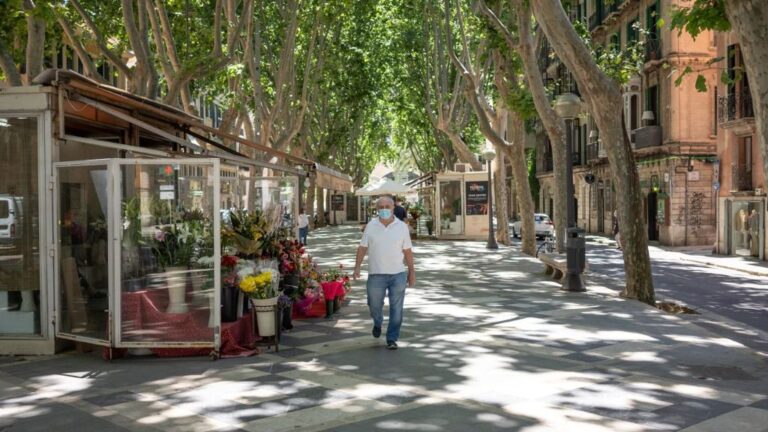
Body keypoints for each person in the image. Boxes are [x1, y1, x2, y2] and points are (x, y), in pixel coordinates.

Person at [353, 196, 415, 350]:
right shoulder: (371, 226)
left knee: (397, 308)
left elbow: (407, 251)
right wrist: (357, 266)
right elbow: (362, 247)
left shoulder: (401, 227)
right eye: (381, 207)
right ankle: (378, 322)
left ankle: (392, 338)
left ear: (394, 207)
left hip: (398, 274)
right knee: (374, 305)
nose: (385, 209)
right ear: (377, 209)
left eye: (388, 206)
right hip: (376, 274)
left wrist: (411, 272)